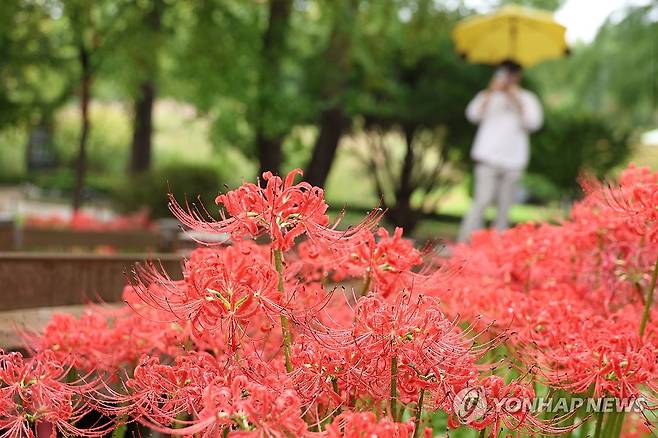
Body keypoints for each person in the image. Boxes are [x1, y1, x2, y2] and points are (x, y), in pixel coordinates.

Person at [457, 60, 543, 242]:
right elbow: (472, 115)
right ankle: (463, 244)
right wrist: (490, 92)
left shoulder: (527, 98)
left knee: (505, 208)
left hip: (514, 161)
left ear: (518, 76)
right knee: (481, 202)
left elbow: (534, 123)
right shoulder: (488, 96)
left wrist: (516, 100)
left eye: (512, 74)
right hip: (488, 158)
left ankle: (498, 250)